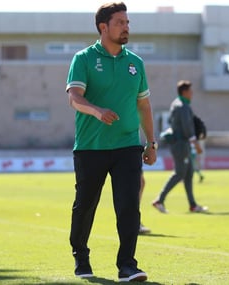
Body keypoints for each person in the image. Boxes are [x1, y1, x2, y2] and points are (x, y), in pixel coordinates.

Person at [66, 2, 157, 282]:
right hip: (91, 147)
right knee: (85, 205)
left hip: (128, 145)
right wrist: (97, 111)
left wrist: (151, 142)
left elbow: (144, 106)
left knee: (129, 205)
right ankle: (81, 257)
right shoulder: (83, 59)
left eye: (128, 22)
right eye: (120, 22)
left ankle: (127, 265)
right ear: (103, 27)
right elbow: (74, 98)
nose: (126, 27)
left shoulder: (136, 63)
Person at [152, 80, 208, 214]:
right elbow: (187, 127)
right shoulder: (182, 106)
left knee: (189, 173)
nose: (192, 93)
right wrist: (196, 144)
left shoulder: (177, 104)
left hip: (181, 143)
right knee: (180, 173)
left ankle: (193, 205)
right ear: (184, 92)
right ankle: (159, 200)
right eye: (190, 91)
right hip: (181, 144)